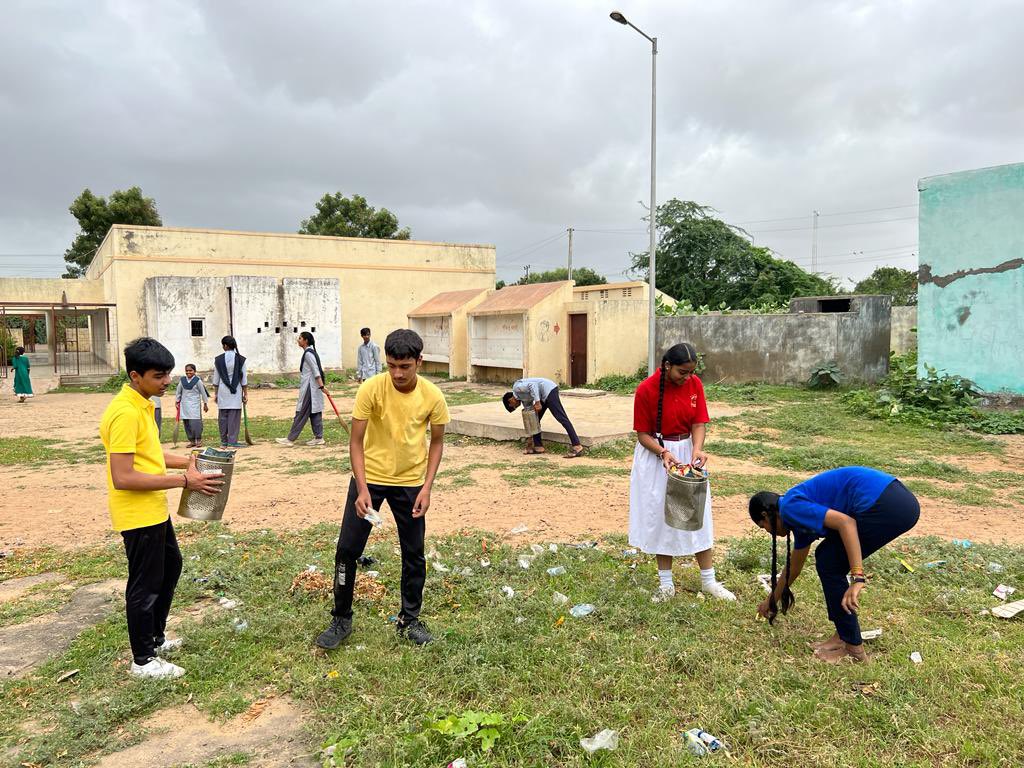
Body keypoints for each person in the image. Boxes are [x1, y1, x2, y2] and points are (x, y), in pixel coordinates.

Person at [316, 328, 450, 650]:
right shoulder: (371, 389)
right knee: (347, 550)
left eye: (405, 366)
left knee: (414, 554)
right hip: (370, 480)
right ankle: (341, 618)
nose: (398, 373)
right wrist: (361, 488)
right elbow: (355, 441)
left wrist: (427, 487)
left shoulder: (433, 396)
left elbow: (438, 443)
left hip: (410, 484)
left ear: (419, 361)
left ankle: (409, 620)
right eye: (391, 366)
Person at [99, 337, 223, 679]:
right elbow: (124, 476)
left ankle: (155, 638)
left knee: (170, 566)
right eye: (158, 375)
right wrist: (185, 482)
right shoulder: (124, 413)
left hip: (153, 508)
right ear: (136, 376)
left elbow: (150, 456)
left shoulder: (142, 403)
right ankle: (143, 660)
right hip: (137, 513)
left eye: (168, 373)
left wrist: (192, 460)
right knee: (145, 582)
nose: (167, 381)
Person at [749, 467, 920, 663]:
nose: (769, 532)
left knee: (829, 562)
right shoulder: (798, 512)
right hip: (899, 498)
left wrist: (857, 577)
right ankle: (843, 636)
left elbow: (846, 523)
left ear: (766, 514)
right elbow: (793, 568)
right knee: (828, 558)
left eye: (764, 527)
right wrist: (771, 601)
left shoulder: (790, 508)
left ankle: (853, 649)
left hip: (886, 503)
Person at [629, 342, 735, 603]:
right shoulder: (646, 389)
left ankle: (709, 581)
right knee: (662, 517)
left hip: (688, 452)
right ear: (667, 366)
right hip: (658, 455)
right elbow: (643, 434)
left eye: (691, 372)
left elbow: (699, 422)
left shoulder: (695, 384)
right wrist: (663, 453)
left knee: (697, 513)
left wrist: (697, 449)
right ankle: (666, 585)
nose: (687, 377)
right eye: (682, 372)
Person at [501, 377, 584, 458]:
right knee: (534, 419)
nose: (516, 406)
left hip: (549, 390)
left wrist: (537, 402)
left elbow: (532, 385)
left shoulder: (517, 388)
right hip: (542, 395)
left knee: (561, 418)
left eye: (513, 406)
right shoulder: (523, 400)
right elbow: (530, 419)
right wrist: (529, 442)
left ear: (510, 400)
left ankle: (577, 446)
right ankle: (538, 446)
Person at [276, 331, 326, 447]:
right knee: (315, 413)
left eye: (300, 338)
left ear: (305, 341)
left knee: (301, 413)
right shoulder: (309, 353)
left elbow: (316, 371)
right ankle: (319, 437)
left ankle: (290, 439)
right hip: (312, 387)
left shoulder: (308, 354)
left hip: (310, 388)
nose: (298, 340)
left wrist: (322, 386)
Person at [212, 336, 248, 448]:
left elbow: (216, 380)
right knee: (234, 417)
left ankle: (224, 441)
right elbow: (244, 379)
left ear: (225, 346)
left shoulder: (218, 360)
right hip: (236, 391)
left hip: (223, 390)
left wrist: (216, 394)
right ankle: (232, 441)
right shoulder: (240, 359)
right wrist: (245, 394)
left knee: (223, 417)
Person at [175, 364, 210, 448]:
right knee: (187, 423)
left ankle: (198, 440)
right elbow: (178, 391)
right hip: (184, 405)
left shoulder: (198, 381)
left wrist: (205, 404)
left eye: (190, 370)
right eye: (187, 370)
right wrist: (177, 401)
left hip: (195, 405)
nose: (188, 372)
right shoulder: (182, 380)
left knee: (195, 423)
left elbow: (203, 393)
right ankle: (192, 441)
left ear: (194, 371)